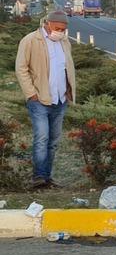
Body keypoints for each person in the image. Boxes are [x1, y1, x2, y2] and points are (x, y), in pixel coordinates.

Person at [15, 11, 76, 189]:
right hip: (39, 99)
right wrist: (31, 93)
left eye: (64, 30)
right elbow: (21, 68)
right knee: (42, 138)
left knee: (54, 141)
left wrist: (69, 93)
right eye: (58, 28)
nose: (60, 32)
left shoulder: (64, 42)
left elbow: (67, 67)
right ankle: (38, 177)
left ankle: (47, 177)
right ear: (47, 24)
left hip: (60, 100)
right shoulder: (30, 40)